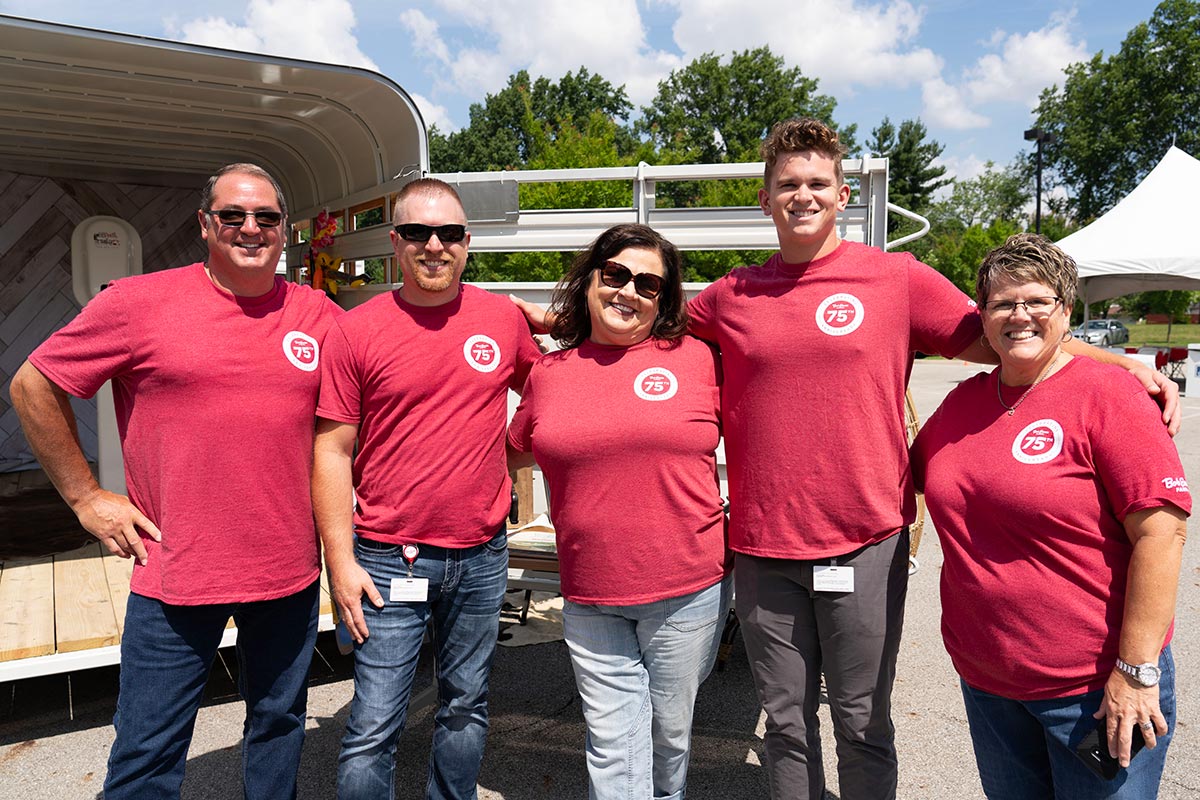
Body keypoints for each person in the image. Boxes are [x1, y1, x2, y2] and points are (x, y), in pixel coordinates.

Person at [509, 118, 1179, 799]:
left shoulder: (895, 278)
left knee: (862, 720)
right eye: (787, 184)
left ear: (844, 193)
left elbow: (1012, 335)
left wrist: (1121, 362)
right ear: (765, 201)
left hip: (866, 543)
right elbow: (635, 317)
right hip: (766, 550)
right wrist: (531, 318)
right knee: (787, 722)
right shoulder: (734, 294)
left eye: (817, 183)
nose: (803, 195)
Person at [9, 163, 341, 799]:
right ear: (204, 225)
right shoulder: (138, 303)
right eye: (232, 216)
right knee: (148, 750)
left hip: (288, 571)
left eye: (265, 218)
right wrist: (85, 497)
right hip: (177, 570)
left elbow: (397, 352)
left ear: (284, 230)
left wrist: (515, 319)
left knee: (279, 725)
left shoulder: (317, 312)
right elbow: (34, 384)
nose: (250, 229)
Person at [910, 233, 1189, 799]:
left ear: (1065, 311)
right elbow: (895, 480)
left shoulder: (1107, 395)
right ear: (983, 316)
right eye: (1002, 303)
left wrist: (1136, 671)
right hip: (988, 682)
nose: (1020, 316)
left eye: (1037, 301)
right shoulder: (962, 404)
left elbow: (1163, 532)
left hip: (1093, 689)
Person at [312, 177, 541, 800]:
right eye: (417, 232)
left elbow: (550, 392)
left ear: (468, 242)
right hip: (387, 559)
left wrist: (510, 451)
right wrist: (340, 561)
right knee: (373, 725)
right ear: (396, 243)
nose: (433, 245)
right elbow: (331, 450)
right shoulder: (357, 331)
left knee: (466, 705)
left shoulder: (500, 318)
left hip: (482, 554)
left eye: (449, 234)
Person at [506, 224, 732, 800]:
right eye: (615, 275)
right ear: (589, 281)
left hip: (687, 588)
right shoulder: (550, 376)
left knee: (667, 736)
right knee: (612, 742)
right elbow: (510, 452)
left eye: (649, 284)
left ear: (664, 300)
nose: (628, 291)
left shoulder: (699, 359)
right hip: (591, 592)